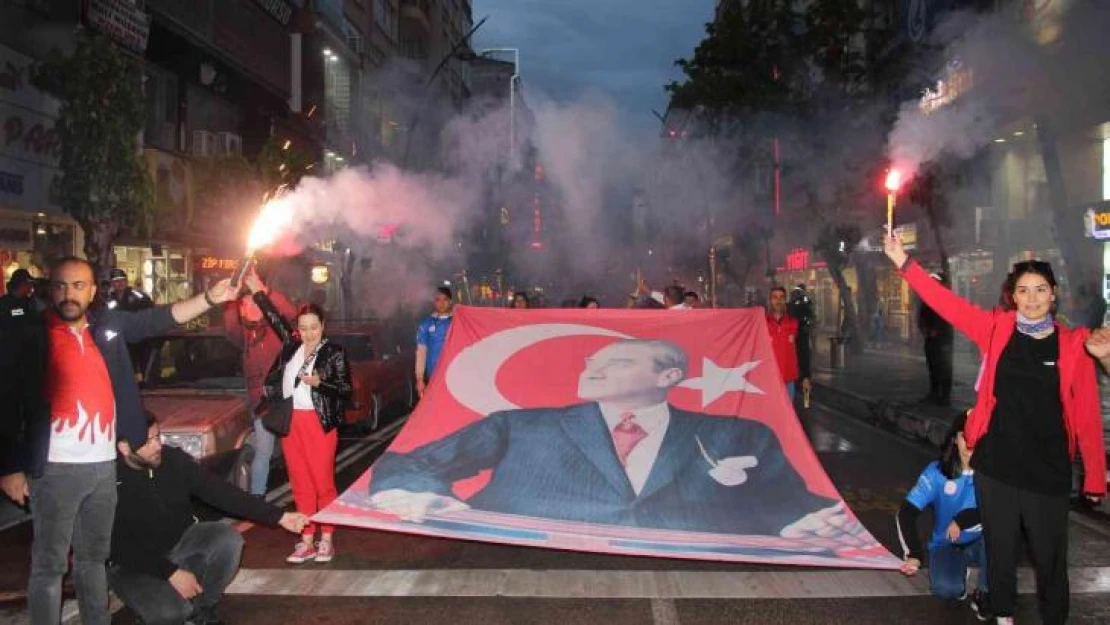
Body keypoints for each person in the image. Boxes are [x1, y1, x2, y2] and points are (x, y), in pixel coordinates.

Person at [369, 339, 865, 542]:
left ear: (669, 375)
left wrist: (806, 523)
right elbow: (408, 465)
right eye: (592, 362)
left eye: (618, 362)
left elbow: (792, 502)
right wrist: (423, 498)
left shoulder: (737, 433)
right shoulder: (521, 426)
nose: (593, 367)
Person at [0, 256, 236, 625]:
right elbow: (8, 397)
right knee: (49, 564)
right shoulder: (32, 334)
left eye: (79, 286)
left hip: (102, 465)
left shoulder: (107, 327)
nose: (69, 294)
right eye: (62, 286)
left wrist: (209, 298)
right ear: (51, 290)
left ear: (93, 291)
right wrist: (11, 465)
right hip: (54, 466)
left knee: (93, 558)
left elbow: (158, 318)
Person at [884, 233, 1104, 625]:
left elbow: (1087, 416)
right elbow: (947, 305)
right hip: (996, 467)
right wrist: (904, 263)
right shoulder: (995, 330)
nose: (1032, 298)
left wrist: (1095, 480)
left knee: (1050, 560)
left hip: (1048, 472)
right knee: (1000, 552)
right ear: (1013, 296)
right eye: (1024, 290)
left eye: (1040, 290)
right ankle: (1003, 617)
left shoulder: (1075, 345)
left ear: (1054, 295)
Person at [109, 416, 310, 625]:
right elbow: (116, 545)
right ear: (124, 447)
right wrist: (171, 573)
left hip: (179, 543)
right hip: (133, 564)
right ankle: (156, 607)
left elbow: (219, 491)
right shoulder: (108, 480)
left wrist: (279, 516)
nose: (158, 445)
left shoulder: (172, 460)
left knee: (227, 539)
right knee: (172, 614)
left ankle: (203, 610)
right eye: (149, 441)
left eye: (158, 436)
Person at [250, 274, 353, 565]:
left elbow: (346, 389)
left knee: (323, 482)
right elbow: (274, 318)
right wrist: (258, 292)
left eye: (314, 327)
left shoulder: (333, 353)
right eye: (303, 327)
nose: (308, 333)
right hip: (291, 422)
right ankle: (306, 539)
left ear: (323, 327)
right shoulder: (292, 346)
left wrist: (321, 381)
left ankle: (327, 538)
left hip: (318, 423)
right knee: (300, 482)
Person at [897, 411, 992, 621]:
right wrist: (914, 553)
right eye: (965, 436)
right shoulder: (937, 473)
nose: (970, 444)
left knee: (1000, 536)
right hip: (947, 542)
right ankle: (958, 576)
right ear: (954, 438)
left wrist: (963, 520)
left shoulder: (995, 472)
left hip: (985, 540)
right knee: (946, 589)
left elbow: (1000, 510)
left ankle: (985, 592)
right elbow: (907, 512)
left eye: (978, 437)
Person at [222, 264, 295, 497]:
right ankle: (257, 498)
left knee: (294, 446)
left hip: (284, 388)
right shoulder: (236, 312)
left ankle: (303, 491)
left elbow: (291, 315)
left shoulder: (273, 302)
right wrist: (231, 302)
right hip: (259, 393)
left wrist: (263, 292)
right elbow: (231, 334)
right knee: (264, 450)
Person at [766, 287, 811, 403]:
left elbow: (803, 351)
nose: (778, 301)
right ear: (770, 300)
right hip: (768, 381)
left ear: (785, 300)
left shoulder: (795, 323)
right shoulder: (762, 323)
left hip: (788, 381)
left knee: (788, 417)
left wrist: (806, 376)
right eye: (775, 297)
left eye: (781, 297)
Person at [918, 273, 954, 405]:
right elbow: (922, 317)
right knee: (932, 366)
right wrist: (924, 329)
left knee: (944, 367)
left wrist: (938, 331)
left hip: (943, 340)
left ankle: (944, 396)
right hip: (930, 339)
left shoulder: (946, 298)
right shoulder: (927, 299)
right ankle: (934, 393)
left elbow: (948, 319)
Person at [415, 286, 454, 398]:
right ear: (434, 302)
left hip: (456, 375)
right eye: (438, 300)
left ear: (450, 301)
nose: (441, 303)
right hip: (434, 377)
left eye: (445, 299)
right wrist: (419, 378)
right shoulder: (425, 324)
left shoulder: (457, 321)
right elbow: (421, 352)